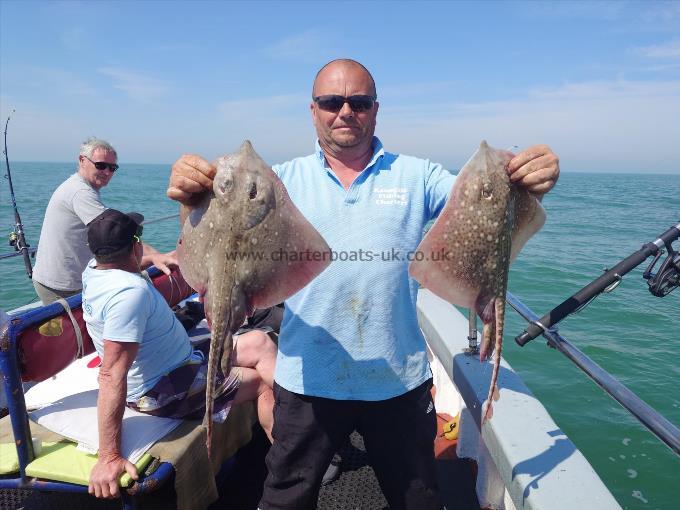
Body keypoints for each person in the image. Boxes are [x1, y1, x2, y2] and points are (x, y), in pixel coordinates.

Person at [167, 58, 560, 510]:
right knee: (285, 498)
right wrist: (191, 195)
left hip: (397, 379)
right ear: (313, 110)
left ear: (376, 109)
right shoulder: (280, 182)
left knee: (418, 498)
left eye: (359, 101)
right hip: (307, 377)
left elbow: (482, 206)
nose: (345, 111)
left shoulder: (418, 176)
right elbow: (219, 232)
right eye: (332, 102)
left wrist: (528, 183)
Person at [82, 209, 277, 500]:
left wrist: (154, 258)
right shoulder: (128, 295)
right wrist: (108, 456)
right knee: (259, 382)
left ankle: (297, 407)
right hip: (163, 388)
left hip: (181, 358)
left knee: (259, 341)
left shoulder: (95, 268)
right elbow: (111, 373)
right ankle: (289, 461)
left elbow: (128, 261)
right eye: (140, 242)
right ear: (135, 246)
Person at [32, 137, 177, 305]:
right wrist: (157, 257)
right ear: (82, 160)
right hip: (62, 285)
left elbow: (120, 234)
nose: (107, 172)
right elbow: (117, 235)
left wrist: (158, 256)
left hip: (72, 277)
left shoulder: (81, 187)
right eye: (100, 165)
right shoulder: (80, 192)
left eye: (112, 168)